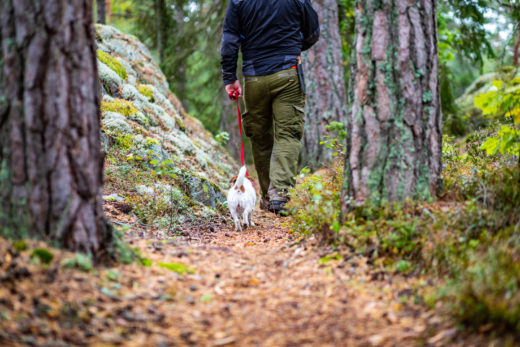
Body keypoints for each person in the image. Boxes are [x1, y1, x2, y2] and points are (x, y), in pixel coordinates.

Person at [220, 0, 320, 215]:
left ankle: (267, 197)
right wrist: (292, 44)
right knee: (288, 134)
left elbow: (230, 40)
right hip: (287, 73)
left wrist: (230, 77)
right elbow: (312, 33)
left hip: (253, 77)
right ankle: (280, 196)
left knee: (260, 137)